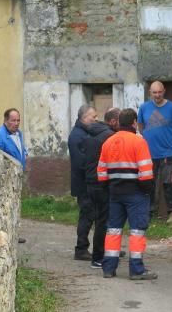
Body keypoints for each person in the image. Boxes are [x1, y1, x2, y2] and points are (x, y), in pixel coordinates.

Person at [97, 108, 158, 280]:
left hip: (115, 193)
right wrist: (147, 191)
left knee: (113, 230)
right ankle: (137, 270)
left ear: (118, 122)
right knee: (137, 231)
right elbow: (146, 173)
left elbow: (101, 172)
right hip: (136, 193)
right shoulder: (139, 142)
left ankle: (108, 268)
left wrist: (109, 189)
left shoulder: (108, 142)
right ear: (134, 123)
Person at [137, 81, 172, 223]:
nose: (157, 95)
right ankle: (150, 213)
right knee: (149, 185)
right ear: (150, 93)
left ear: (164, 91)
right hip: (149, 154)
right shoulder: (144, 108)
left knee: (169, 184)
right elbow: (141, 126)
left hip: (169, 154)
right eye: (154, 92)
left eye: (159, 92)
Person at [83, 107, 121, 268]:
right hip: (102, 182)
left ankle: (101, 253)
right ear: (112, 121)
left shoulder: (92, 132)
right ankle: (98, 257)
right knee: (103, 221)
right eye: (119, 121)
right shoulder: (109, 137)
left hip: (91, 180)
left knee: (99, 219)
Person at [0, 107, 28, 242]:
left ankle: (15, 233)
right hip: (5, 180)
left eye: (18, 120)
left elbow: (20, 149)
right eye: (13, 120)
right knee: (5, 208)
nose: (16, 123)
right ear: (5, 121)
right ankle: (6, 234)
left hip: (17, 177)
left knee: (15, 206)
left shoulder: (19, 133)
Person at [68, 104, 98, 261]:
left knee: (92, 214)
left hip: (88, 182)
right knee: (87, 215)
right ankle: (81, 249)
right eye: (93, 117)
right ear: (84, 118)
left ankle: (98, 247)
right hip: (84, 184)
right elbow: (81, 163)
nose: (96, 119)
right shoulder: (77, 136)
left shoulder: (85, 133)